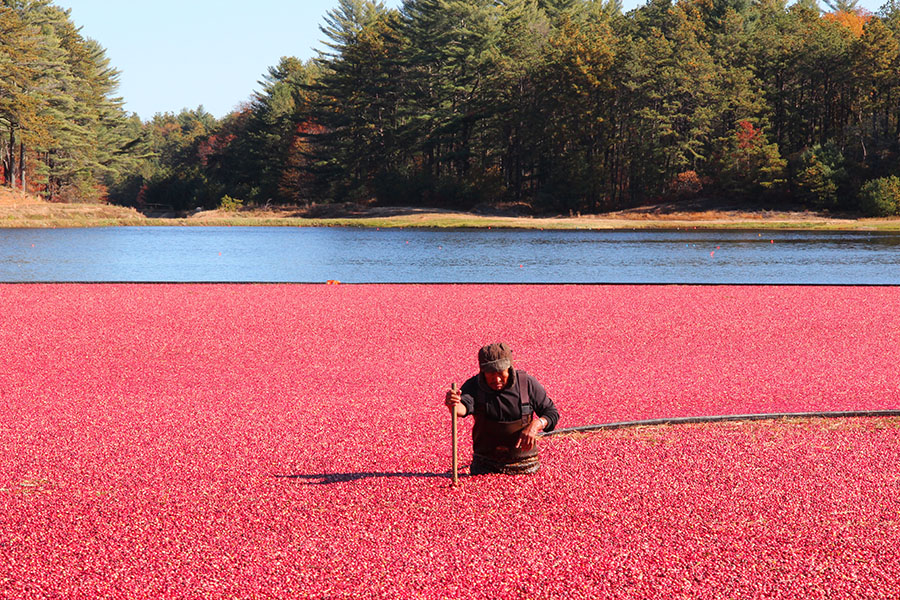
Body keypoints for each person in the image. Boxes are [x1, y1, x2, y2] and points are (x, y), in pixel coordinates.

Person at [444, 342, 559, 475]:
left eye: (500, 372)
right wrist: (452, 404)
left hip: (525, 463)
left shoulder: (527, 384)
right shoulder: (475, 385)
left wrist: (536, 425)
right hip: (485, 464)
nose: (496, 378)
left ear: (510, 368)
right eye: (490, 373)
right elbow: (461, 409)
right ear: (482, 371)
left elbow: (551, 413)